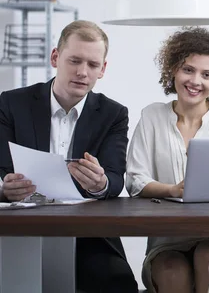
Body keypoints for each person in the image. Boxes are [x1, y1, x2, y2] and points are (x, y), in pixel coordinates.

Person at [0, 20, 138, 293]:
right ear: (55, 57)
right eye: (74, 60)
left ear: (103, 69)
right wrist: (5, 188)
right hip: (19, 228)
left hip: (88, 233)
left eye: (92, 65)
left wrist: (100, 184)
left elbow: (114, 177)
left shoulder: (113, 114)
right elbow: (1, 168)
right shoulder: (11, 103)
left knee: (118, 283)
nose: (82, 72)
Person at [126, 27, 209, 293]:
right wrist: (171, 190)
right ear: (173, 70)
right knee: (172, 270)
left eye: (207, 75)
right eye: (188, 70)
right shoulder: (152, 116)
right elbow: (135, 180)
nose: (196, 81)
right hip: (166, 241)